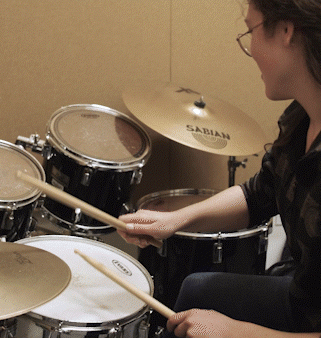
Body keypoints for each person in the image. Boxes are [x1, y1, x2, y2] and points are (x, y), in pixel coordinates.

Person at [118, 0, 321, 337]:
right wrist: (175, 220)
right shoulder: (302, 117)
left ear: (286, 31)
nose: (250, 49)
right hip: (307, 297)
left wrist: (238, 332)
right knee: (196, 291)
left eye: (251, 30)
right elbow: (259, 195)